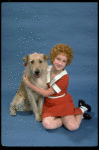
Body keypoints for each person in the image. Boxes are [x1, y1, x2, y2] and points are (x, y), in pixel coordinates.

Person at [23, 43, 92, 131]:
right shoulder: (47, 69)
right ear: (53, 58)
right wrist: (28, 67)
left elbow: (46, 93)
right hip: (50, 104)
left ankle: (81, 110)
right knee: (47, 125)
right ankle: (65, 119)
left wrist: (28, 84)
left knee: (73, 127)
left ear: (67, 63)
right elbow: (34, 70)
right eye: (58, 59)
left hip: (63, 103)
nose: (60, 63)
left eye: (64, 61)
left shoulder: (64, 77)